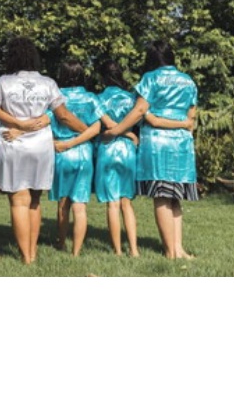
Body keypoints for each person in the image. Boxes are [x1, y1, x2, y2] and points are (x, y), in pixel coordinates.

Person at [0, 36, 90, 264]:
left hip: (12, 145)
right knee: (34, 201)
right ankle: (32, 253)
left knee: (18, 201)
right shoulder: (48, 83)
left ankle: (25, 257)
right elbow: (64, 115)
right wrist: (87, 131)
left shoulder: (2, 82)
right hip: (40, 145)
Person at [102, 40, 198, 260]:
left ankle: (169, 252)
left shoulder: (150, 78)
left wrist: (116, 130)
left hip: (158, 147)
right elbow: (191, 116)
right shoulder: (188, 81)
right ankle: (179, 249)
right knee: (175, 198)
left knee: (162, 197)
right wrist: (181, 124)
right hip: (182, 146)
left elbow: (139, 111)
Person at [47, 60, 104, 256]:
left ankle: (61, 243)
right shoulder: (91, 98)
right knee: (80, 207)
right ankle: (76, 251)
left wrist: (64, 144)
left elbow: (46, 123)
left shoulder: (56, 98)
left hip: (62, 152)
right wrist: (76, 142)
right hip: (84, 153)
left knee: (63, 204)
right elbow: (96, 129)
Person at [95, 59, 140, 257]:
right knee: (126, 202)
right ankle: (134, 249)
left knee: (112, 203)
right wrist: (129, 134)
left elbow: (103, 125)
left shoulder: (98, 99)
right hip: (128, 150)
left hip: (107, 148)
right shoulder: (132, 98)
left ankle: (118, 250)